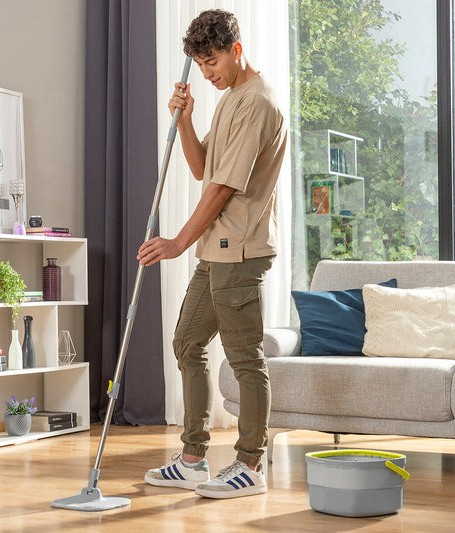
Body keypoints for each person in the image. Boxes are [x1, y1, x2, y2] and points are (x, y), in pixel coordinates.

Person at [139, 9, 287, 499]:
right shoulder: (228, 100)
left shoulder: (259, 104)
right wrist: (185, 118)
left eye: (212, 61)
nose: (206, 73)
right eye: (199, 65)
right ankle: (193, 458)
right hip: (216, 250)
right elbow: (204, 167)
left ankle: (250, 466)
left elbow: (223, 188)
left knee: (245, 358)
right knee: (187, 342)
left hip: (241, 250)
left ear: (236, 50)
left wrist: (178, 242)